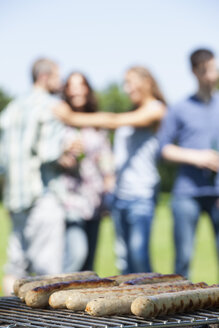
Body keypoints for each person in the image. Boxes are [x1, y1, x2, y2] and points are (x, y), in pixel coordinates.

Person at [54, 66, 166, 274]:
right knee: (125, 262)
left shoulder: (155, 109)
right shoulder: (134, 111)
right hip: (120, 195)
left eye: (130, 82)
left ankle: (153, 303)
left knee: (139, 258)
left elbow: (112, 121)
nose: (126, 88)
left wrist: (71, 118)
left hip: (141, 195)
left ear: (146, 81)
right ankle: (132, 305)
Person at [0, 58, 68, 295]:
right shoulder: (52, 106)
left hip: (14, 198)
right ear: (44, 77)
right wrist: (69, 149)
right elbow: (49, 153)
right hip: (43, 195)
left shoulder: (12, 108)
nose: (62, 82)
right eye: (58, 76)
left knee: (14, 268)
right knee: (49, 273)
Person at [158, 48, 219, 278]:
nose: (212, 75)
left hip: (217, 193)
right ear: (195, 71)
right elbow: (163, 148)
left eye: (214, 68)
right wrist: (197, 156)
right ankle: (179, 311)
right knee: (183, 260)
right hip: (187, 193)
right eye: (206, 70)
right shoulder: (179, 108)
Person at [45, 71, 114, 272]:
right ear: (66, 90)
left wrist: (109, 187)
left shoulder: (97, 122)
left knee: (89, 264)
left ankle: (82, 303)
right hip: (68, 198)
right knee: (76, 253)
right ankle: (57, 298)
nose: (76, 89)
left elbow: (106, 158)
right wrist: (63, 156)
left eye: (80, 84)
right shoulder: (58, 122)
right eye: (71, 85)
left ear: (87, 89)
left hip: (94, 198)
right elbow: (48, 155)